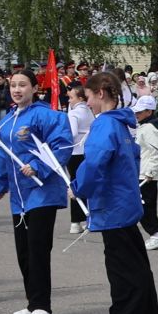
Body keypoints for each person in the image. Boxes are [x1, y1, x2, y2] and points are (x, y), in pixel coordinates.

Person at [73, 72, 158, 314]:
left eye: (88, 96)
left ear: (101, 93)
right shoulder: (123, 124)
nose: (87, 103)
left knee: (120, 267)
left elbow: (95, 161)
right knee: (135, 264)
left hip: (112, 204)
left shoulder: (104, 125)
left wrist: (78, 186)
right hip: (125, 201)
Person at [0, 67, 73, 314]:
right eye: (13, 85)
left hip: (42, 192)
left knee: (38, 249)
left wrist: (38, 167)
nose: (17, 90)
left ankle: (42, 305)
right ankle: (31, 302)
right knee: (24, 251)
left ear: (35, 88)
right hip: (19, 198)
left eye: (22, 85)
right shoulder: (5, 122)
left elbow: (61, 147)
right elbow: (1, 155)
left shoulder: (47, 116)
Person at [131, 95, 158, 251]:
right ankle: (153, 234)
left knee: (146, 206)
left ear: (149, 111)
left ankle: (155, 235)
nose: (137, 114)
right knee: (143, 205)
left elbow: (156, 152)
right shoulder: (145, 126)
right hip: (141, 171)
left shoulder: (151, 128)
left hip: (147, 174)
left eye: (140, 111)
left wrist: (151, 172)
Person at [65, 90, 93, 235]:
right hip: (88, 151)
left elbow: (73, 133)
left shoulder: (74, 113)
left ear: (80, 98)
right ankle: (88, 218)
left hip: (75, 152)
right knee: (87, 183)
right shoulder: (90, 111)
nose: (69, 100)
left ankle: (75, 222)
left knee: (75, 185)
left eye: (71, 97)